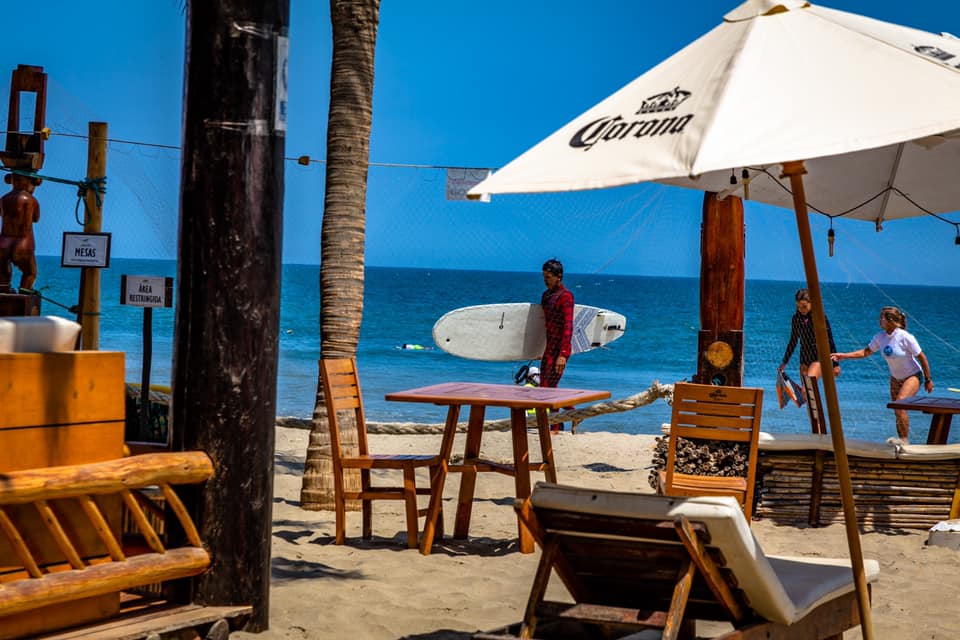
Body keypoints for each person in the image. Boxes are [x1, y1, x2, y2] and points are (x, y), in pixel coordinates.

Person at [832, 306, 934, 441]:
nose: (879, 320)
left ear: (890, 320)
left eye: (882, 318)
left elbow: (922, 357)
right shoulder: (880, 337)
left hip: (913, 375)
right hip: (895, 379)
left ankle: (905, 442)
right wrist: (843, 356)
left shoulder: (905, 337)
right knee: (897, 411)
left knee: (900, 405)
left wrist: (928, 379)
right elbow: (865, 352)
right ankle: (902, 443)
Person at [777, 288, 841, 393]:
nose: (801, 309)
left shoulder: (819, 317)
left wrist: (835, 364)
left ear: (811, 303)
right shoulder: (796, 319)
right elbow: (793, 341)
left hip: (818, 356)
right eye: (798, 307)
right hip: (804, 358)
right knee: (808, 395)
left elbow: (829, 339)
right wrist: (784, 362)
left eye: (804, 306)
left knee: (807, 389)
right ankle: (815, 407)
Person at [540, 258, 575, 433]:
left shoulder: (566, 297)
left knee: (550, 388)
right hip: (548, 347)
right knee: (544, 388)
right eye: (544, 277)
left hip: (560, 348)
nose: (545, 280)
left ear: (558, 276)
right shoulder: (546, 296)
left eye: (548, 277)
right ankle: (573, 415)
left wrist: (563, 354)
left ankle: (555, 426)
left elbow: (568, 326)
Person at [0, 173, 41, 293]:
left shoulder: (3, 199)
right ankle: (24, 294)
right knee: (30, 273)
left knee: (2, 272)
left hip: (3, 242)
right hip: (23, 243)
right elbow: (36, 218)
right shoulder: (32, 200)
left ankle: (3, 293)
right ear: (29, 182)